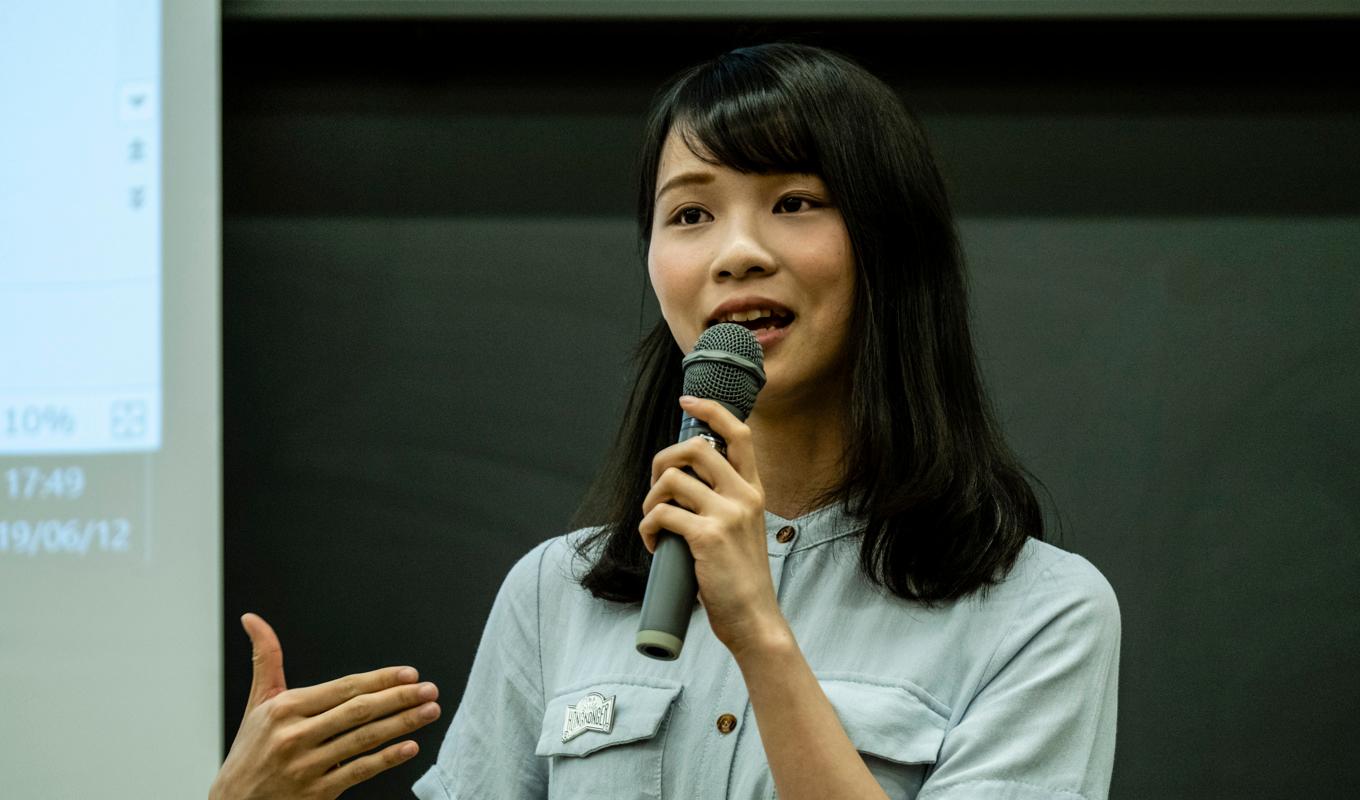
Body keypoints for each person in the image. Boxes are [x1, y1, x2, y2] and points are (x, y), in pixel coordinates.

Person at [212, 42, 1120, 800]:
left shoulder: (1041, 614)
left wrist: (760, 633)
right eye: (689, 213)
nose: (736, 253)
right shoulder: (553, 595)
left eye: (794, 202)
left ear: (891, 241)